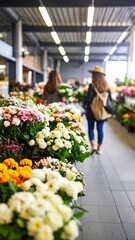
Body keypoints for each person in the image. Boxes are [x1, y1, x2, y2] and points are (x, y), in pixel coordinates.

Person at [84, 66, 112, 154]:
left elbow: (88, 100)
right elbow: (109, 99)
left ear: (94, 75)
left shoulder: (91, 86)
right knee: (100, 129)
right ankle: (99, 148)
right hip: (102, 112)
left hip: (91, 111)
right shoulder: (106, 86)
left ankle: (93, 146)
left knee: (91, 128)